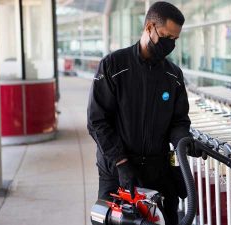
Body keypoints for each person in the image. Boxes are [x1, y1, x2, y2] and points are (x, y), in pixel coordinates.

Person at [87, 2, 203, 224]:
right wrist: (121, 163)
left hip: (156, 171)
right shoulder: (113, 66)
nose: (170, 44)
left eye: (175, 40)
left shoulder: (173, 75)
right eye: (167, 36)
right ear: (149, 27)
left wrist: (184, 141)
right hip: (117, 171)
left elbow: (178, 121)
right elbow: (97, 122)